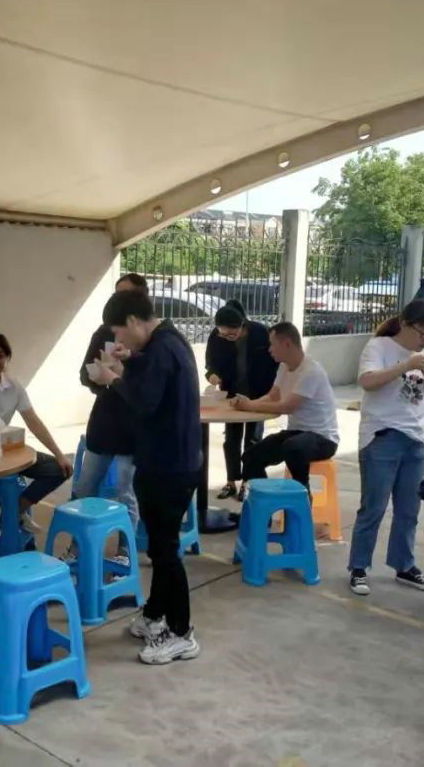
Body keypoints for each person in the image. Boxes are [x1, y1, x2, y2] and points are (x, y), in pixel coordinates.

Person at [88, 290, 201, 666]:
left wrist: (113, 378)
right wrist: (129, 360)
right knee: (159, 546)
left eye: (119, 332)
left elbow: (144, 403)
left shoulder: (162, 350)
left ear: (134, 321)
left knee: (166, 550)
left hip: (170, 465)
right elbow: (153, 379)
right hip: (167, 460)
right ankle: (154, 614)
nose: (118, 340)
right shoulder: (166, 342)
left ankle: (182, 633)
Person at [347, 299, 424, 596]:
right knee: (374, 507)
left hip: (415, 440)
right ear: (404, 323)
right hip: (383, 436)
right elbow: (367, 381)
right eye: (422, 333)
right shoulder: (379, 347)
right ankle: (359, 567)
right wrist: (406, 365)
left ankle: (404, 565)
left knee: (408, 509)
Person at [0, 333, 73, 553]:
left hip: (7, 450)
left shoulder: (13, 385)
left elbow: (33, 421)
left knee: (59, 469)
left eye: (0, 356)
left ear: (7, 359)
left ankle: (14, 512)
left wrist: (59, 454)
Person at [71, 272, 150, 567]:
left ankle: (124, 554)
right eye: (116, 294)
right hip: (105, 422)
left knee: (126, 493)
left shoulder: (150, 340)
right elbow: (84, 373)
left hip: (134, 428)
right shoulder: (103, 332)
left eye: (125, 295)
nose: (118, 301)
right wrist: (99, 379)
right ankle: (78, 549)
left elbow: (148, 388)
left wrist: (124, 372)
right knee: (84, 488)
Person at [234, 321, 339, 493]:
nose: (270, 349)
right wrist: (248, 404)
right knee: (251, 457)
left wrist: (249, 405)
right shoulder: (284, 367)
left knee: (293, 448)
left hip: (322, 438)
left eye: (272, 344)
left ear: (287, 344)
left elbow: (286, 407)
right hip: (296, 433)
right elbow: (272, 396)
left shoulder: (311, 371)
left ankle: (301, 495)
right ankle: (266, 499)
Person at [205, 300, 276, 501]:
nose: (226, 337)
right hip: (231, 396)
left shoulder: (261, 334)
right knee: (231, 439)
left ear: (241, 325)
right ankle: (231, 481)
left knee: (253, 440)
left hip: (258, 395)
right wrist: (212, 376)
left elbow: (274, 363)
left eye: (231, 334)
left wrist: (271, 393)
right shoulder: (216, 337)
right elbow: (210, 364)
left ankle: (248, 481)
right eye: (223, 334)